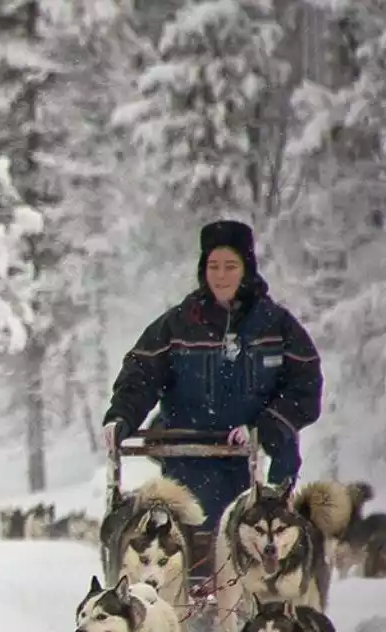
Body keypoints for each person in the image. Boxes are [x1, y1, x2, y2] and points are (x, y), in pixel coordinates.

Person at [101, 219, 324, 572]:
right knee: (188, 544)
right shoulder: (177, 325)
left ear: (247, 269)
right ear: (203, 269)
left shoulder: (275, 326)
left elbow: (305, 385)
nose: (221, 276)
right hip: (186, 456)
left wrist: (268, 425)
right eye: (213, 266)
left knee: (249, 543)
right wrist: (122, 417)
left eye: (230, 266)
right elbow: (140, 375)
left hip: (251, 460)